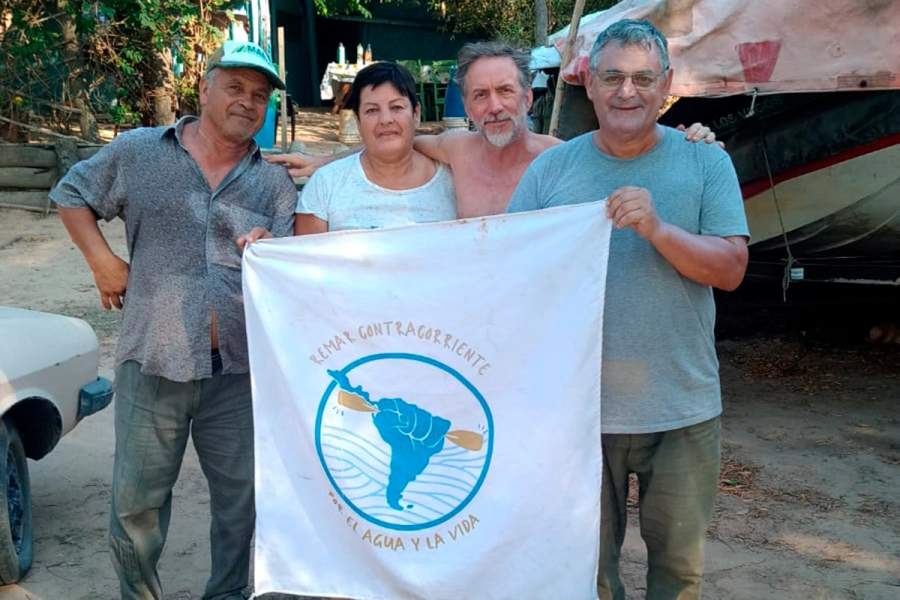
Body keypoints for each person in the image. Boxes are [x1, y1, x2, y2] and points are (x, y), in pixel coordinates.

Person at [506, 19, 749, 600]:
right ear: (588, 82)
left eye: (643, 78)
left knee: (678, 575)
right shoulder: (551, 171)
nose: (626, 91)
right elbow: (508, 274)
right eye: (612, 76)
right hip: (578, 415)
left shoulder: (705, 163)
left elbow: (731, 270)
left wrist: (659, 230)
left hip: (681, 408)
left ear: (667, 85)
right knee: (585, 574)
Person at [51, 40, 298, 600]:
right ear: (204, 88)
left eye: (259, 95)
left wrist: (273, 246)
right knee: (137, 503)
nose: (247, 102)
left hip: (238, 373)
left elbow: (294, 269)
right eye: (235, 87)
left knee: (241, 501)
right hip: (153, 361)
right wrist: (102, 261)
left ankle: (229, 594)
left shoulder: (275, 182)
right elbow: (70, 193)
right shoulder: (139, 151)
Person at [266, 41, 716, 219]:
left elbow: (628, 166)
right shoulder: (457, 149)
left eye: (504, 91)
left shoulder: (560, 158)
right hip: (471, 323)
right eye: (480, 95)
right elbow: (393, 141)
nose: (494, 106)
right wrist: (324, 159)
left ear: (527, 99)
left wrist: (684, 140)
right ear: (469, 105)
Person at [239, 61, 455, 246]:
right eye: (371, 110)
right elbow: (306, 270)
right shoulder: (326, 185)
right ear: (358, 121)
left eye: (397, 107)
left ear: (416, 113)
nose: (385, 119)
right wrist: (267, 251)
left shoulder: (456, 182)